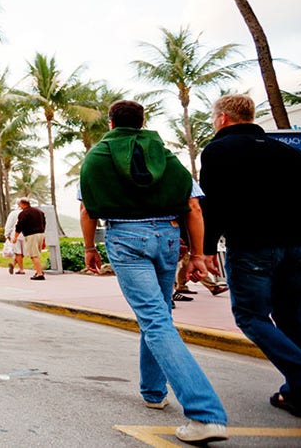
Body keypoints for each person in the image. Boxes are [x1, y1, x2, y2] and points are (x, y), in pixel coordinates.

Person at [80, 100, 227, 443]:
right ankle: (153, 392)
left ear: (112, 122)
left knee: (155, 320)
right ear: (142, 121)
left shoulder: (97, 157)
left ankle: (205, 414)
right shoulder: (164, 153)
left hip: (127, 238)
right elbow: (193, 205)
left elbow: (88, 209)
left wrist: (89, 248)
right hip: (168, 236)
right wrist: (199, 254)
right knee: (159, 316)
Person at [200, 93, 301, 419]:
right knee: (292, 317)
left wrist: (206, 248)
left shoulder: (217, 150)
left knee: (251, 316)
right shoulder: (287, 151)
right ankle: (296, 394)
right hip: (295, 245)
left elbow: (212, 204)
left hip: (251, 246)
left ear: (223, 118)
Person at [16, 198, 46, 280]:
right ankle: (38, 270)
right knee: (37, 254)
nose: (19, 206)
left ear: (23, 204)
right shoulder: (39, 211)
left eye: (19, 204)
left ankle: (40, 274)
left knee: (33, 255)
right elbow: (44, 222)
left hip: (31, 235)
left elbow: (19, 226)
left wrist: (15, 237)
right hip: (41, 234)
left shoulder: (23, 213)